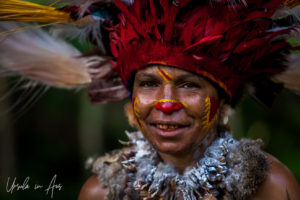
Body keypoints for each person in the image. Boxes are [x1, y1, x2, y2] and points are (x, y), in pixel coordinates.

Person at [0, 0, 299, 199]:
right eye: (148, 83)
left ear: (221, 100)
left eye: (189, 85)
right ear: (132, 99)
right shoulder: (101, 193)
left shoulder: (272, 187)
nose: (166, 103)